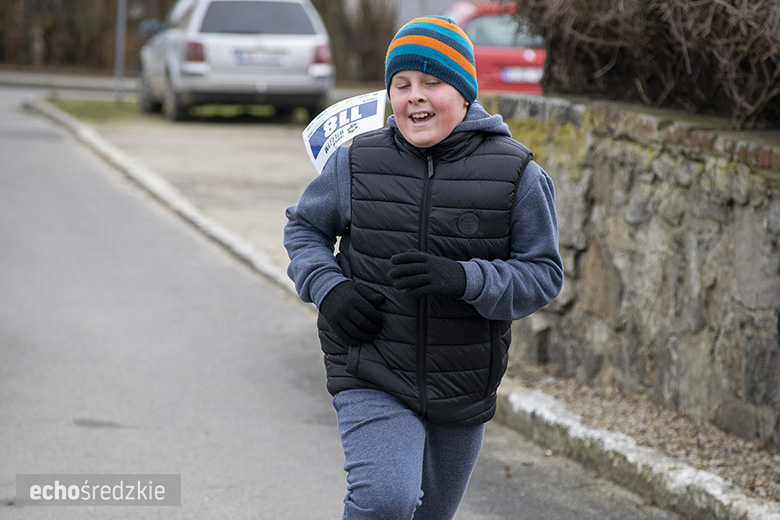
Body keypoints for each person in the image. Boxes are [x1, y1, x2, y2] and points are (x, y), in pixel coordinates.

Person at [284, 15, 563, 520]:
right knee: (385, 500)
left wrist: (466, 279)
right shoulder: (355, 162)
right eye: (402, 84)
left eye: (432, 83)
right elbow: (304, 230)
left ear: (464, 92)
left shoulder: (518, 173)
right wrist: (330, 289)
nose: (415, 96)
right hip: (369, 363)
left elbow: (542, 273)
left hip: (463, 378)